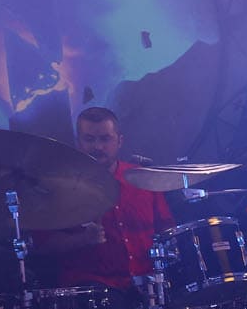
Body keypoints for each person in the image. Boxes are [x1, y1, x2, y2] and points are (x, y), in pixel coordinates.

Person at [32, 107, 172, 290]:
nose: (97, 147)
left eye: (105, 139)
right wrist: (82, 239)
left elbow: (168, 232)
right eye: (89, 139)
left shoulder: (144, 179)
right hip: (91, 293)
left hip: (149, 287)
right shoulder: (61, 186)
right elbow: (42, 246)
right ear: (78, 142)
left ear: (119, 141)